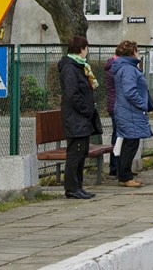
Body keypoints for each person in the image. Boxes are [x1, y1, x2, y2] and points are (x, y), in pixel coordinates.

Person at [58, 36, 103, 199]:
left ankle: (78, 186)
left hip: (81, 118)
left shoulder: (79, 66)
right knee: (75, 153)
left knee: (82, 151)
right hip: (75, 117)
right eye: (86, 48)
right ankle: (71, 187)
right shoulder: (70, 68)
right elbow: (72, 94)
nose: (87, 51)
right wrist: (86, 110)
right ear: (81, 49)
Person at [111, 40, 153, 187]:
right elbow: (130, 91)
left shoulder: (124, 67)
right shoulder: (129, 69)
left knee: (129, 143)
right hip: (130, 110)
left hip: (127, 110)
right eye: (137, 50)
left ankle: (125, 174)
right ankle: (125, 176)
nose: (139, 53)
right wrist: (142, 104)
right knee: (131, 143)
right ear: (132, 52)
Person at [104, 45, 121, 177]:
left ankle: (118, 165)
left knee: (119, 135)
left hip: (115, 105)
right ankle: (115, 166)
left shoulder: (114, 66)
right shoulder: (115, 68)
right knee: (118, 136)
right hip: (117, 106)